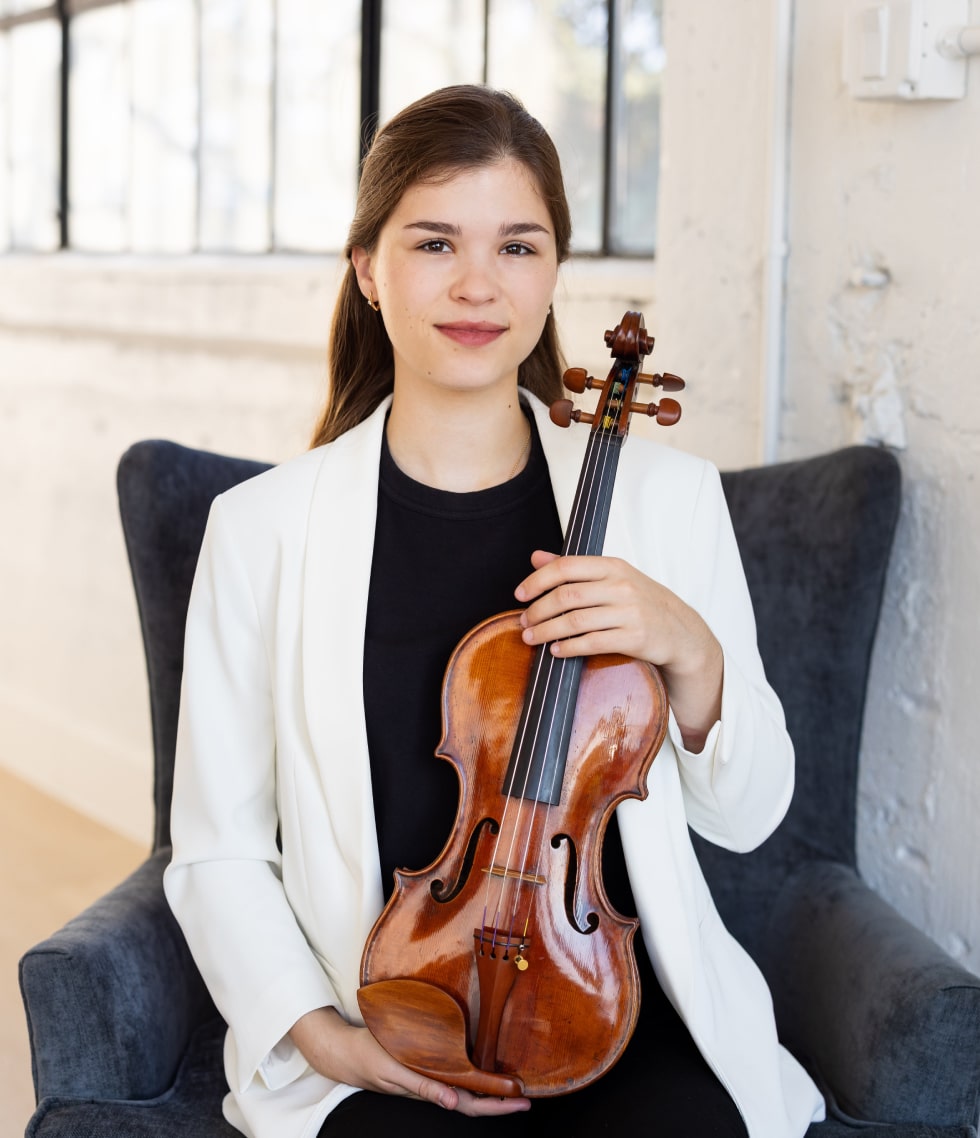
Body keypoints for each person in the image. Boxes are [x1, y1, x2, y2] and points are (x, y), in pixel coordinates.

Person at [164, 85, 825, 1138]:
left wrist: (688, 651)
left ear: (553, 270)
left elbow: (747, 818)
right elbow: (217, 846)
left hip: (610, 1008)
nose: (478, 284)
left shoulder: (664, 500)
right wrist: (323, 1040)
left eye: (517, 247)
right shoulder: (260, 530)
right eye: (433, 242)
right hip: (389, 1024)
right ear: (367, 271)